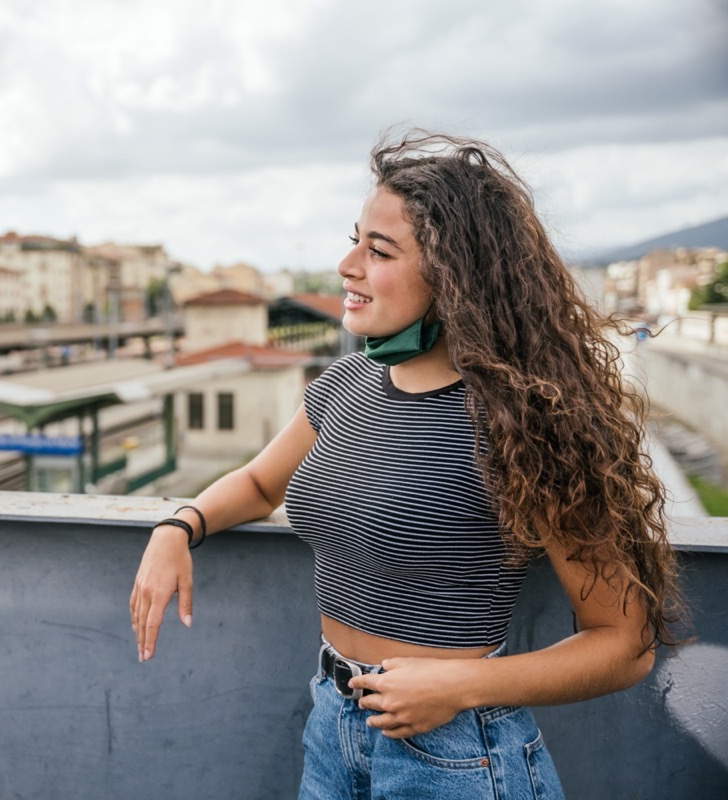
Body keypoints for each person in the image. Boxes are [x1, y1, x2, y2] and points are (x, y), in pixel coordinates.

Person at [130, 130, 685, 799]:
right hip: (333, 727)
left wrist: (461, 686)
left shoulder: (524, 426)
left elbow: (624, 642)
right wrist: (178, 527)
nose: (346, 264)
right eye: (354, 239)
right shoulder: (345, 385)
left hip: (457, 754)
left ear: (452, 278)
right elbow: (256, 484)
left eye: (378, 249)